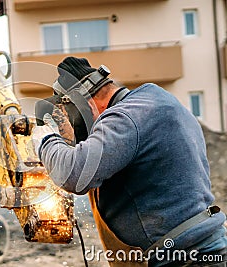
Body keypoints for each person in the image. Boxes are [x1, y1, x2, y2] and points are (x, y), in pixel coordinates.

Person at [32, 56, 227, 266]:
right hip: (198, 250)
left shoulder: (126, 118)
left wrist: (45, 137)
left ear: (84, 103)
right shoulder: (154, 101)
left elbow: (73, 174)